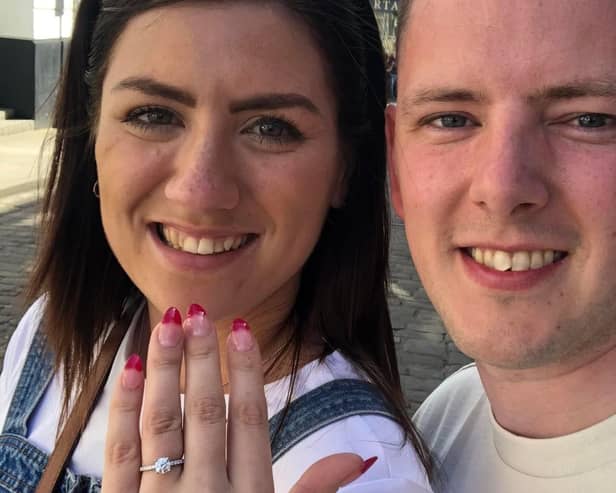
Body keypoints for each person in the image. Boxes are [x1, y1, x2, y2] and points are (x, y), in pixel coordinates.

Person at [0, 0, 434, 492]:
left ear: (345, 169)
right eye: (153, 114)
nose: (198, 191)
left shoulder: (362, 470)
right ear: (93, 134)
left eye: (270, 127)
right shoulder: (52, 334)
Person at [386, 0, 616, 491]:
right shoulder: (448, 416)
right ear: (396, 165)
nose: (502, 187)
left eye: (590, 120)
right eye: (450, 120)